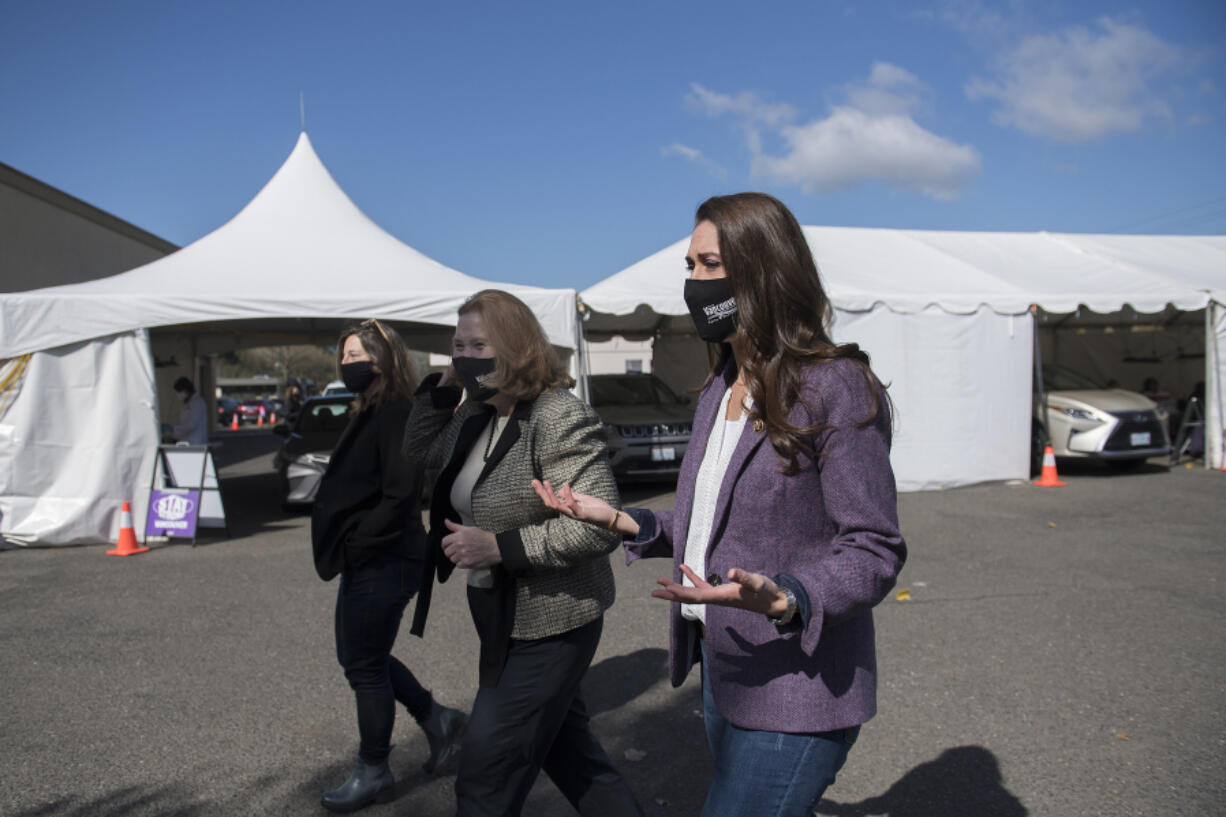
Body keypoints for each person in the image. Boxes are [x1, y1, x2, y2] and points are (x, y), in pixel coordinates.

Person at [534, 193, 907, 817]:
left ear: (765, 271)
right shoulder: (719, 387)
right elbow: (713, 521)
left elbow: (874, 548)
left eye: (711, 265)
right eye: (690, 267)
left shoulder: (833, 386)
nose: (694, 283)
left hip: (799, 687)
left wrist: (789, 595)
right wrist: (622, 519)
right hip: (723, 669)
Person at [402, 289, 642, 817]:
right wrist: (438, 398)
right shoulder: (478, 414)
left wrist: (499, 546)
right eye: (458, 345)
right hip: (498, 615)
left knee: (485, 778)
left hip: (554, 621)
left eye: (479, 344)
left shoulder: (556, 414)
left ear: (514, 346)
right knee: (572, 755)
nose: (465, 356)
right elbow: (419, 458)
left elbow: (597, 524)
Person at [311, 318, 467, 813]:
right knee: (361, 659)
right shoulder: (370, 408)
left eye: (359, 355)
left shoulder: (397, 411)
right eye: (345, 356)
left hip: (386, 559)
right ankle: (437, 719)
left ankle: (374, 769)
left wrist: (358, 543)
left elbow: (402, 494)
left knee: (363, 665)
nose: (349, 363)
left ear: (386, 357)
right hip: (370, 559)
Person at [170, 377, 209, 445]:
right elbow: (184, 423)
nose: (178, 395)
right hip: (186, 441)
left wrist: (173, 428)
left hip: (196, 441)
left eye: (179, 392)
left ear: (186, 390)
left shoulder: (197, 402)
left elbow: (191, 424)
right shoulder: (186, 403)